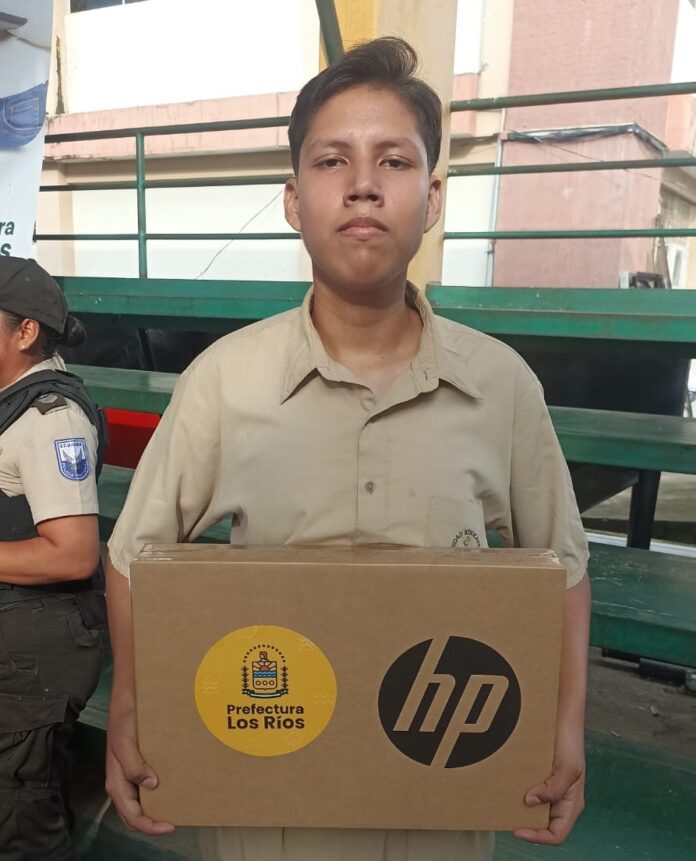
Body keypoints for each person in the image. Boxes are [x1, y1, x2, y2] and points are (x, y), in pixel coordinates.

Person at [104, 37, 591, 861]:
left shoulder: (502, 386)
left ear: (431, 198)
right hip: (267, 794)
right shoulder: (224, 381)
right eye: (333, 160)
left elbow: (564, 568)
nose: (364, 184)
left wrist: (564, 724)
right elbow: (131, 558)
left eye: (394, 161)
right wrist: (130, 706)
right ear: (294, 200)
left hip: (439, 790)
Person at [0, 256, 107, 861]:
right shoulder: (12, 402)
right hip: (16, 634)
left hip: (34, 651)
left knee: (19, 823)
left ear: (25, 332)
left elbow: (72, 554)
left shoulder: (50, 419)